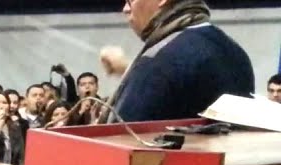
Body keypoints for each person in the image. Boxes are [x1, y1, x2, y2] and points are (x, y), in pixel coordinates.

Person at [108, 0, 253, 122]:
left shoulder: (158, 62)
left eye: (130, 1)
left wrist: (140, 73)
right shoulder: (236, 53)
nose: (125, 9)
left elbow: (122, 136)